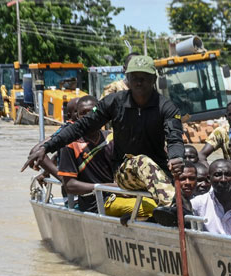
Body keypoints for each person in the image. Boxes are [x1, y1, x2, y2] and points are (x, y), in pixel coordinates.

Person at [22, 55, 185, 219]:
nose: (139, 82)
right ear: (127, 79)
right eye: (134, 77)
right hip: (125, 172)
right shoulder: (114, 102)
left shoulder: (167, 107)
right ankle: (176, 209)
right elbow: (81, 126)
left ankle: (176, 213)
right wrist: (47, 147)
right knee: (142, 161)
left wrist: (177, 157)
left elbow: (175, 139)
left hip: (158, 172)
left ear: (153, 79)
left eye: (144, 78)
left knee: (186, 175)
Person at [56, 95, 115, 212]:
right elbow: (70, 185)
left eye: (93, 111)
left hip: (119, 196)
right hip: (94, 203)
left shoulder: (111, 138)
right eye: (83, 113)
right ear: (77, 117)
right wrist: (104, 187)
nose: (89, 116)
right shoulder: (70, 144)